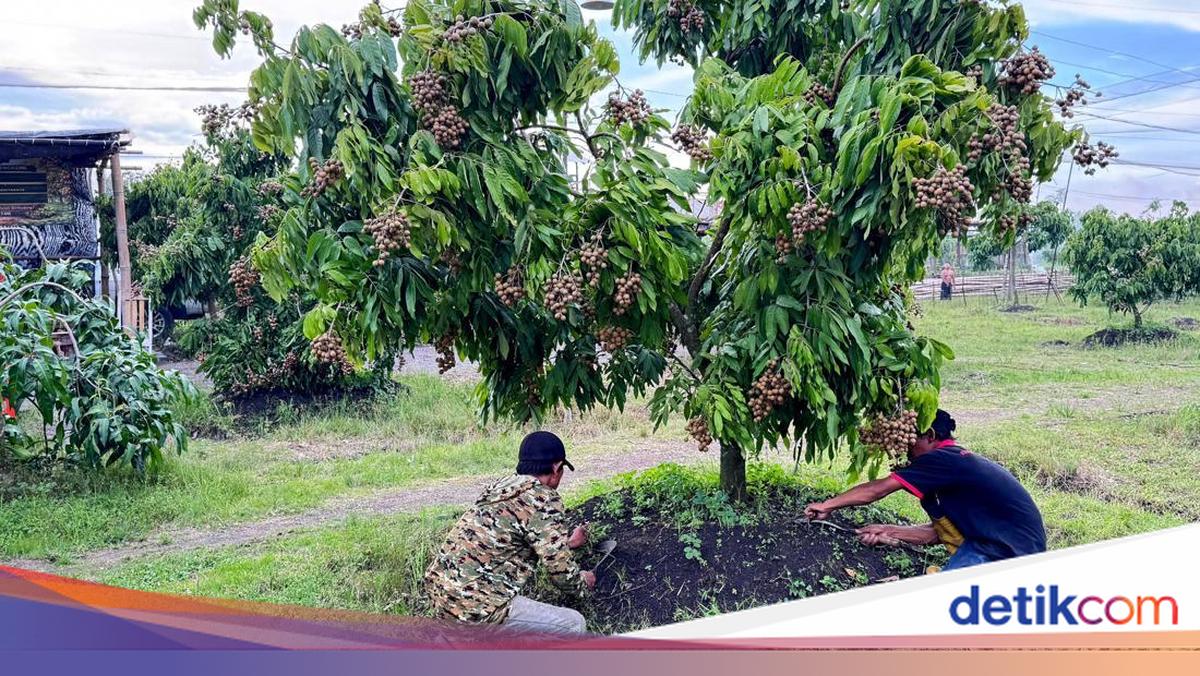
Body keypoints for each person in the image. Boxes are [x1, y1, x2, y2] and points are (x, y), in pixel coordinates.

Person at [805, 410, 1046, 571]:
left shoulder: (942, 459)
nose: (906, 450)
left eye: (910, 441)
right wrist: (888, 531)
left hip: (1008, 551)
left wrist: (827, 506)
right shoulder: (951, 465)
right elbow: (935, 535)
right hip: (995, 544)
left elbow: (877, 490)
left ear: (930, 436)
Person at [424, 431, 596, 634]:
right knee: (574, 624)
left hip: (441, 595)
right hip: (475, 610)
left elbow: (506, 539)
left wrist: (566, 544)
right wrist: (583, 584)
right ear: (556, 468)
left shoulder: (501, 487)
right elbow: (560, 571)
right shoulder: (543, 498)